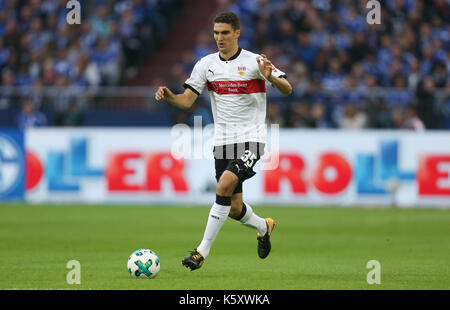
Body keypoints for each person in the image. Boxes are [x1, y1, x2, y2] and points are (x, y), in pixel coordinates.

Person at [154, 11, 292, 271]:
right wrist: (169, 95)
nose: (219, 38)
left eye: (225, 33)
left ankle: (201, 251)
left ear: (237, 33)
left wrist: (270, 77)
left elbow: (288, 89)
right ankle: (264, 226)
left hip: (252, 139)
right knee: (233, 207)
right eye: (216, 33)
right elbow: (186, 100)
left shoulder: (256, 62)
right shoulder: (206, 65)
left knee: (225, 184)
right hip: (223, 142)